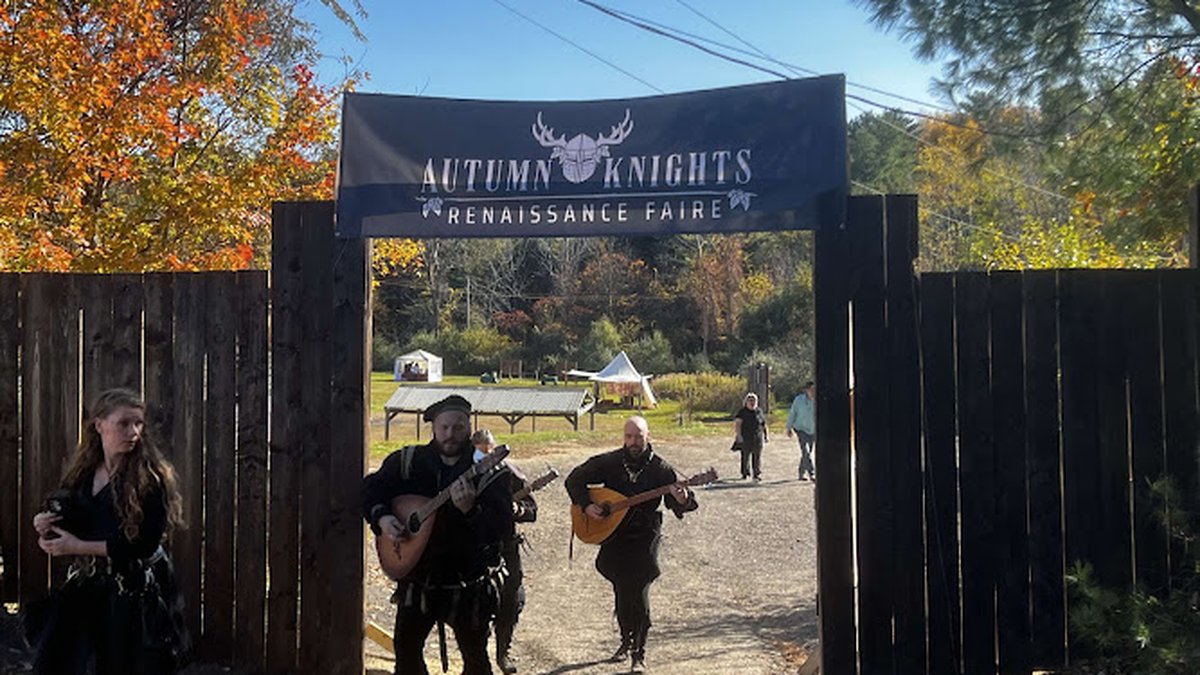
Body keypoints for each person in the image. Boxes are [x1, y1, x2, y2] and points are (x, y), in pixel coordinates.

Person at [28, 388, 189, 675]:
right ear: (99, 425)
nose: (134, 432)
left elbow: (144, 544)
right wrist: (46, 525)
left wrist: (76, 547)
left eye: (138, 423)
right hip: (91, 588)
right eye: (124, 423)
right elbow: (73, 520)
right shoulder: (83, 474)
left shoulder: (150, 479)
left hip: (135, 593)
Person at [362, 395, 514, 675]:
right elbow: (370, 489)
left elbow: (501, 528)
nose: (450, 435)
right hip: (418, 582)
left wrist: (471, 510)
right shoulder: (408, 462)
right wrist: (383, 518)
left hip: (468, 584)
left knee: (476, 660)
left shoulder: (490, 471)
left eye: (458, 428)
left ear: (469, 428)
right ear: (433, 428)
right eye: (444, 427)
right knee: (406, 656)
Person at [564, 416, 697, 673]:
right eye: (629, 437)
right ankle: (626, 640)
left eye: (638, 436)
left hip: (645, 536)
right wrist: (587, 504)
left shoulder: (662, 470)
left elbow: (679, 504)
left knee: (639, 588)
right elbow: (574, 480)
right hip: (615, 535)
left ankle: (639, 652)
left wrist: (683, 498)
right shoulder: (610, 462)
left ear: (648, 436)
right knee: (622, 588)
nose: (633, 442)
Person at [471, 429, 537, 675]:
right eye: (480, 451)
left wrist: (517, 509)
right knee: (477, 604)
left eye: (489, 451)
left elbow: (532, 509)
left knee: (512, 599)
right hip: (475, 547)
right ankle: (478, 656)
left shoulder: (509, 473)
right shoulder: (465, 472)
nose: (486, 456)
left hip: (506, 546)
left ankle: (503, 652)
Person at [733, 392, 769, 482]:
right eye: (750, 401)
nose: (752, 402)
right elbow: (738, 425)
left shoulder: (759, 411)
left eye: (754, 400)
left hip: (758, 438)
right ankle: (745, 473)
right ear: (746, 402)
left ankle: (756, 474)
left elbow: (763, 424)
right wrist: (739, 436)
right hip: (746, 438)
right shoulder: (742, 412)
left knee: (757, 457)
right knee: (745, 456)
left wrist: (766, 435)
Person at [786, 381, 817, 482]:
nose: (812, 391)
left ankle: (801, 472)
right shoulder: (798, 400)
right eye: (810, 389)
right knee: (806, 450)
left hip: (813, 429)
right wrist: (789, 427)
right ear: (806, 390)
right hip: (801, 429)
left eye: (814, 389)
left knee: (808, 452)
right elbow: (792, 413)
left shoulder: (818, 400)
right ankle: (812, 473)